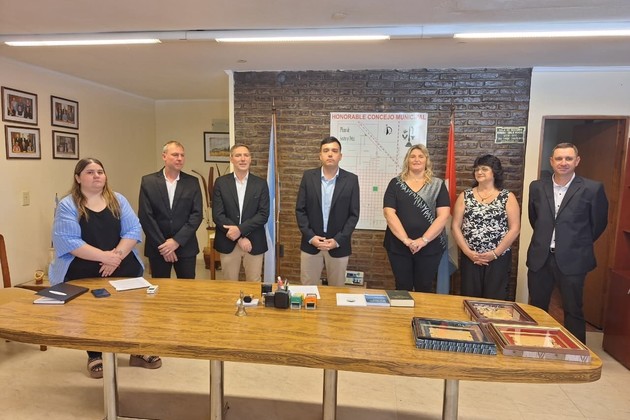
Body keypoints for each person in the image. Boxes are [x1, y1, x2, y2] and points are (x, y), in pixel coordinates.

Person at [49, 158, 161, 379]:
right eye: (90, 172)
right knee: (92, 314)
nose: (96, 176)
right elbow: (68, 240)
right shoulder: (68, 205)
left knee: (131, 311)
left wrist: (115, 257)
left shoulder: (117, 200)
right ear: (78, 178)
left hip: (123, 265)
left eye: (100, 171)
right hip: (84, 270)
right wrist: (105, 258)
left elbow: (133, 230)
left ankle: (137, 350)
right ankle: (95, 354)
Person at [527, 142, 608, 343]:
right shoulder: (537, 187)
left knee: (573, 309)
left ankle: (576, 352)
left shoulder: (592, 188)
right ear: (551, 161)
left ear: (577, 161)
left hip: (574, 259)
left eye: (568, 158)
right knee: (536, 309)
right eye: (559, 158)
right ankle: (535, 347)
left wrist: (575, 243)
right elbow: (535, 219)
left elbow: (598, 224)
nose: (563, 162)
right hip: (541, 257)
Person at [451, 154, 521, 300]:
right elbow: (455, 226)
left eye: (484, 169)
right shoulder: (465, 195)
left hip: (498, 259)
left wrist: (495, 253)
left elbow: (515, 229)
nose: (479, 172)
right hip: (471, 258)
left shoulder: (507, 197)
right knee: (469, 300)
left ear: (495, 172)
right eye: (477, 169)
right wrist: (468, 252)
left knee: (494, 301)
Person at [383, 144, 450, 292]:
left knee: (424, 287)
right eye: (412, 156)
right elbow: (389, 213)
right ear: (407, 160)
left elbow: (443, 216)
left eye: (421, 156)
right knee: (402, 287)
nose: (416, 159)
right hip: (399, 245)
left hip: (430, 246)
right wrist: (406, 240)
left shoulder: (437, 185)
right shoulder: (395, 183)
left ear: (427, 160)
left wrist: (423, 240)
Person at [295, 136, 360, 286]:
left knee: (337, 291)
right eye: (326, 151)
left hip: (338, 246)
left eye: (334, 151)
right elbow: (300, 210)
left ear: (340, 156)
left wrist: (337, 240)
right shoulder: (308, 177)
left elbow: (353, 215)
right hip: (311, 245)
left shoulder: (351, 180)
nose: (330, 154)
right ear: (320, 155)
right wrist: (311, 237)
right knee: (308, 289)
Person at [139, 141, 203, 279]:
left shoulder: (192, 182)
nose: (179, 158)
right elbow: (146, 216)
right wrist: (164, 246)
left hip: (185, 246)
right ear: (164, 156)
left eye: (182, 155)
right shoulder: (148, 182)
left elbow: (196, 215)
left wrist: (176, 241)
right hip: (158, 248)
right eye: (175, 155)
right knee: (161, 288)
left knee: (187, 288)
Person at [212, 144, 270, 281]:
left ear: (250, 159)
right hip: (228, 241)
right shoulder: (221, 183)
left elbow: (263, 214)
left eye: (246, 155)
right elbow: (218, 215)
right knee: (229, 285)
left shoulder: (261, 184)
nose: (243, 159)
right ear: (231, 159)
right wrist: (239, 237)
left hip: (254, 241)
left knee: (254, 284)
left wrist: (240, 230)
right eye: (238, 155)